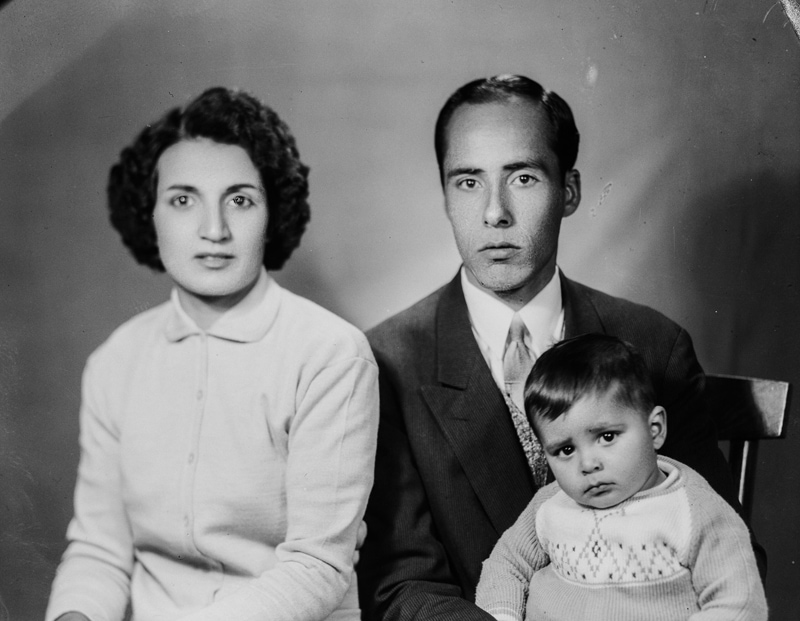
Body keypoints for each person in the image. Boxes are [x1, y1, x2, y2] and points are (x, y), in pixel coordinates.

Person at [358, 74, 756, 620]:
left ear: (568, 191)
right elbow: (401, 582)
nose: (494, 212)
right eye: (468, 182)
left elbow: (725, 551)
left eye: (522, 177)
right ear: (446, 197)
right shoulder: (388, 360)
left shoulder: (654, 344)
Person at [45, 87, 379, 621]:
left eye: (240, 199)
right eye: (183, 199)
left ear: (273, 212)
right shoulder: (115, 362)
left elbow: (317, 565)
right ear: (149, 215)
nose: (214, 230)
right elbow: (98, 552)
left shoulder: (331, 354)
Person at [475, 334, 767, 620]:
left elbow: (738, 604)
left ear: (655, 429)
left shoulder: (696, 512)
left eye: (607, 436)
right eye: (565, 449)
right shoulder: (549, 504)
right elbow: (507, 563)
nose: (588, 464)